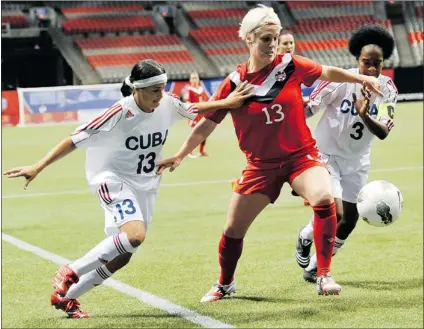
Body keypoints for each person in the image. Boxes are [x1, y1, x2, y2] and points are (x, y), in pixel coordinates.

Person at [156, 5, 383, 301]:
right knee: (232, 230)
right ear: (249, 39)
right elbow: (205, 125)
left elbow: (326, 71)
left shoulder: (290, 65)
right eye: (266, 38)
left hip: (301, 157)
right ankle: (225, 283)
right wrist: (181, 154)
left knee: (325, 198)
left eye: (275, 38)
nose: (272, 44)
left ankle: (324, 274)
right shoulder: (235, 84)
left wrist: (361, 79)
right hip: (260, 166)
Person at [3, 59, 254, 318]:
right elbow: (74, 140)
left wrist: (227, 102)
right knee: (135, 235)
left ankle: (67, 297)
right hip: (110, 178)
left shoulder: (167, 104)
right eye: (155, 89)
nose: (161, 94)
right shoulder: (119, 112)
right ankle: (71, 271)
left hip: (145, 183)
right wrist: (38, 166)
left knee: (124, 254)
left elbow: (194, 108)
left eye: (163, 87)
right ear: (138, 89)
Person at [294, 25, 398, 282]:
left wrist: (364, 113)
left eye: (378, 63)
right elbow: (310, 109)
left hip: (357, 160)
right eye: (366, 63)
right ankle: (309, 240)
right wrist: (293, 110)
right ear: (356, 60)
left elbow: (383, 132)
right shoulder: (339, 80)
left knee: (350, 219)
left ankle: (314, 265)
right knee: (336, 212)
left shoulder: (388, 89)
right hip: (325, 154)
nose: (372, 69)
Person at [183, 72, 210, 158]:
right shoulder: (189, 90)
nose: (195, 80)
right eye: (193, 78)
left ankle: (201, 151)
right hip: (194, 115)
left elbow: (206, 100)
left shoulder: (201, 89)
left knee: (204, 134)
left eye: (196, 78)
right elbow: (187, 102)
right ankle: (189, 152)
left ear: (198, 79)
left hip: (202, 115)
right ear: (190, 80)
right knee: (195, 134)